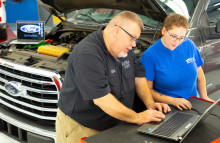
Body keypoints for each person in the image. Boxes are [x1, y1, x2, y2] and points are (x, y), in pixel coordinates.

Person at [56, 11, 171, 143]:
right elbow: (102, 99)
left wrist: (150, 104)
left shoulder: (124, 49)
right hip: (82, 127)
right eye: (132, 38)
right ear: (117, 30)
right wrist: (137, 117)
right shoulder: (87, 55)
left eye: (136, 39)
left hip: (116, 124)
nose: (134, 44)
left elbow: (138, 76)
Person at [140, 13, 214, 111]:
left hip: (193, 104)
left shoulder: (188, 44)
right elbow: (148, 91)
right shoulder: (149, 56)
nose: (177, 41)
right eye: (173, 36)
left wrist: (204, 97)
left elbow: (199, 73)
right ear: (164, 31)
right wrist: (173, 101)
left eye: (181, 37)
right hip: (169, 108)